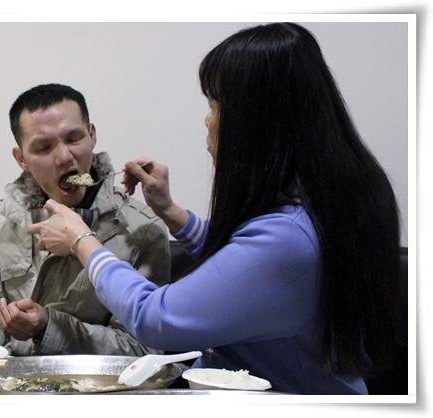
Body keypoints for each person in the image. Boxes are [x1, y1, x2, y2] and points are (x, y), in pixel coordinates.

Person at [28, 23, 401, 394]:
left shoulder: (290, 238)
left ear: (255, 123)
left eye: (215, 106)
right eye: (43, 147)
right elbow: (243, 266)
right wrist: (171, 211)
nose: (208, 121)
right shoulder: (322, 198)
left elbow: (154, 317)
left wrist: (82, 240)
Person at [0, 83, 171, 356]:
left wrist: (48, 327)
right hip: (11, 382)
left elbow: (144, 348)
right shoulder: (5, 215)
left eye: (74, 139)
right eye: (43, 147)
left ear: (92, 135)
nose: (64, 157)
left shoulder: (142, 229)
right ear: (21, 159)